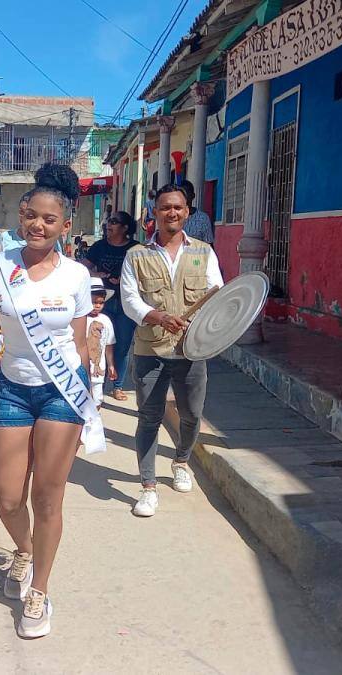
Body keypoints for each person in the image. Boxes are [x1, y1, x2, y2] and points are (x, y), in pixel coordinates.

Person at [0, 162, 100, 639]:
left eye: (49, 219)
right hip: (11, 390)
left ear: (66, 225)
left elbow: (77, 343)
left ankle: (41, 589)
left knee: (47, 497)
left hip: (59, 395)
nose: (37, 225)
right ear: (21, 215)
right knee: (9, 499)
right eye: (30, 215)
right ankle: (25, 551)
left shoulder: (75, 276)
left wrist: (89, 398)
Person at [121, 184, 224, 518]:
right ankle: (148, 487)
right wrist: (157, 316)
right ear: (155, 211)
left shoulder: (204, 253)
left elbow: (216, 293)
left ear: (187, 212)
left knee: (192, 416)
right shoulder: (137, 255)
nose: (172, 213)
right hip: (150, 349)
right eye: (165, 207)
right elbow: (129, 299)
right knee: (149, 417)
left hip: (191, 351)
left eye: (178, 208)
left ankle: (181, 461)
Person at [83, 210, 139, 401]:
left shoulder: (136, 248)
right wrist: (97, 275)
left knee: (122, 345)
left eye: (114, 222)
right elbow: (83, 267)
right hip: (101, 302)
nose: (109, 224)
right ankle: (97, 382)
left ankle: (118, 385)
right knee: (99, 342)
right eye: (108, 221)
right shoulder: (99, 247)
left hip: (126, 304)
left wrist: (126, 279)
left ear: (125, 228)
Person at [85, 279, 117, 405]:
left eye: (101, 303)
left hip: (98, 369)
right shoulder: (78, 319)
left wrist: (111, 365)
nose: (97, 306)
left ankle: (94, 422)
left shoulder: (106, 320)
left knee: (97, 400)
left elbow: (109, 345)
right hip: (80, 369)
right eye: (93, 302)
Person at [181, 180, 215, 244]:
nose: (184, 197)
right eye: (181, 194)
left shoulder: (203, 218)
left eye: (186, 193)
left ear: (193, 196)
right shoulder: (173, 217)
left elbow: (208, 244)